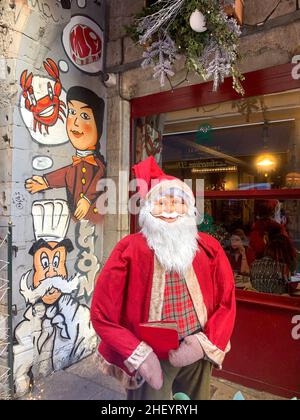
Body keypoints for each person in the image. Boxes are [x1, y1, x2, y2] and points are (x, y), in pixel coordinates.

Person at [91, 156, 236, 401]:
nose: (170, 208)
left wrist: (204, 343)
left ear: (190, 209)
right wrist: (140, 355)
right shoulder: (129, 249)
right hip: (151, 353)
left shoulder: (209, 248)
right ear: (147, 208)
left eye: (178, 202)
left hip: (196, 348)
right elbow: (102, 312)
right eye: (161, 201)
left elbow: (227, 300)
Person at [25, 87, 106, 224]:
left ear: (97, 127)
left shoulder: (97, 164)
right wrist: (46, 182)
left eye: (85, 116)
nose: (75, 122)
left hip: (93, 218)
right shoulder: (75, 166)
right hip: (78, 223)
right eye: (72, 112)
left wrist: (87, 199)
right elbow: (65, 174)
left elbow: (101, 178)